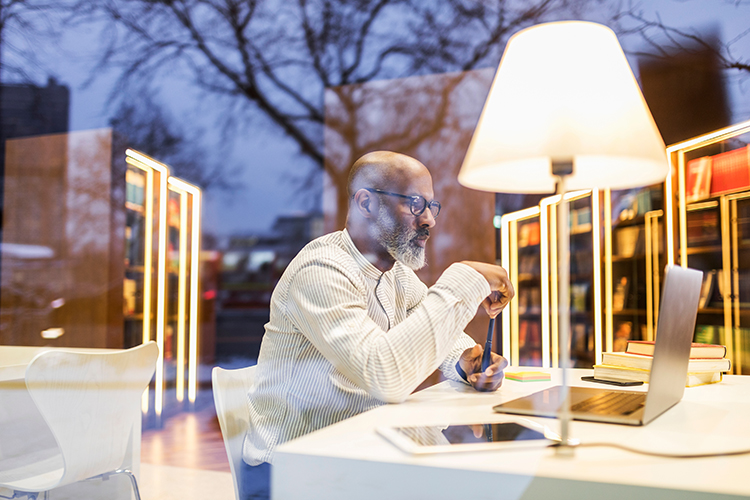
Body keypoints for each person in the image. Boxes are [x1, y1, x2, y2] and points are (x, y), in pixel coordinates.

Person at [239, 151, 514, 499]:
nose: (429, 219)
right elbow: (384, 374)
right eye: (415, 204)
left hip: (357, 456)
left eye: (432, 206)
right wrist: (464, 279)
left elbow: (427, 330)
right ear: (366, 203)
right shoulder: (321, 270)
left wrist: (464, 360)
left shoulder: (396, 272)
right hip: (291, 473)